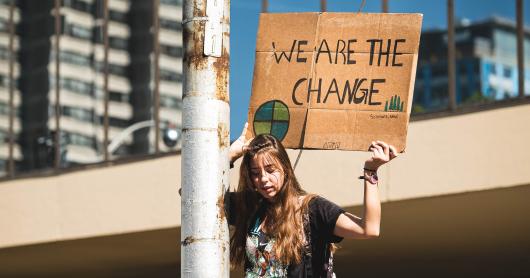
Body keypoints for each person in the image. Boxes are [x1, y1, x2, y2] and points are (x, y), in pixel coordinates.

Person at [227, 123, 398, 277]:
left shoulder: (311, 209)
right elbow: (204, 199)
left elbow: (369, 228)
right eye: (255, 173)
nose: (263, 179)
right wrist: (229, 156)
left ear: (286, 169)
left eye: (270, 170)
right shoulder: (249, 207)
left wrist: (371, 171)